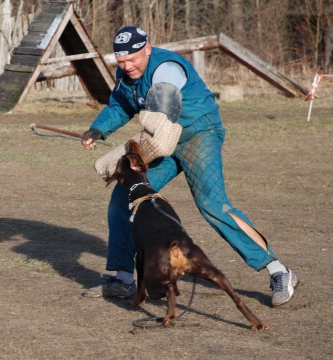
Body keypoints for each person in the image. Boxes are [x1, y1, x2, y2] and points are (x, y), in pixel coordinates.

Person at [81, 26, 298, 307]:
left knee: (212, 204)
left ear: (147, 48)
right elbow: (121, 105)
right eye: (121, 61)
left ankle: (278, 270)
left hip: (198, 133)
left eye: (133, 59)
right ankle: (123, 279)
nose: (127, 66)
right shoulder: (126, 75)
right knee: (124, 196)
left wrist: (150, 136)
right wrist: (97, 129)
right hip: (160, 142)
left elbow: (165, 97)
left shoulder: (167, 67)